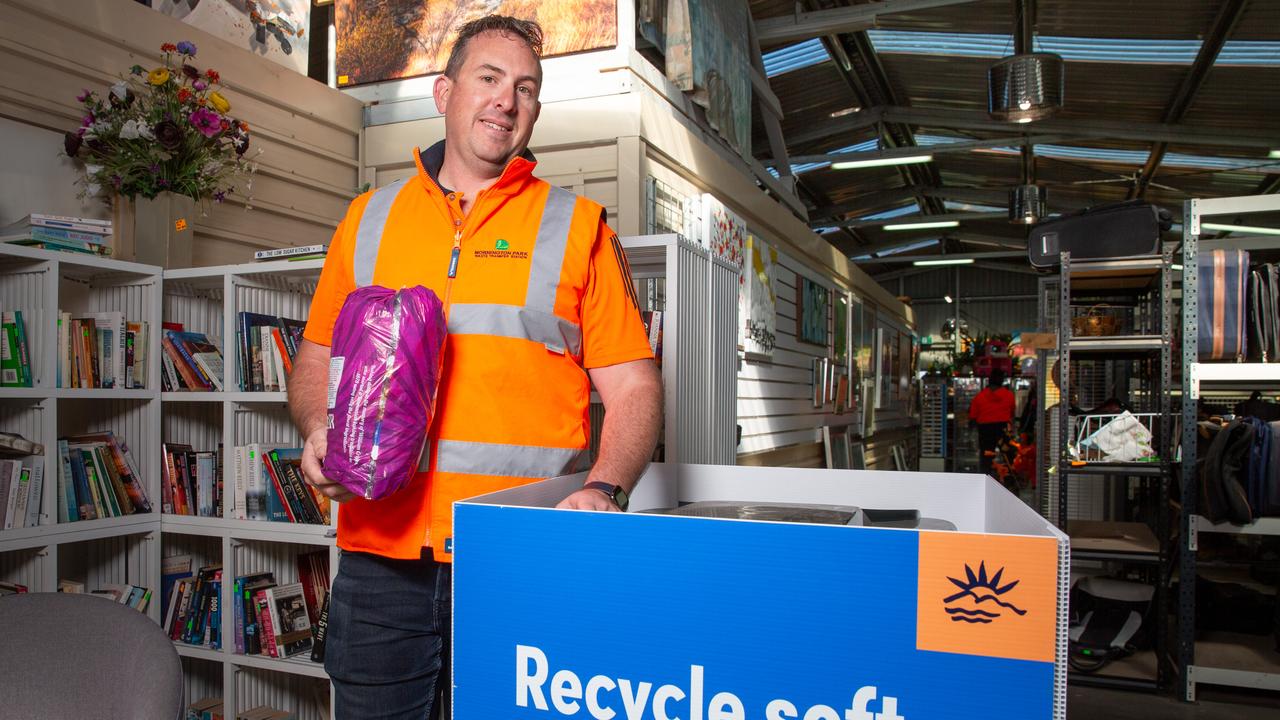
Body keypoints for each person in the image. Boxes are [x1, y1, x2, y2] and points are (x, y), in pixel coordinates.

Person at [286, 16, 662, 719]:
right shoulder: (367, 218)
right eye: (489, 79)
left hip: (521, 560)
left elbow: (635, 382)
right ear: (444, 92)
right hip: (378, 562)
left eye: (525, 88)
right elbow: (314, 357)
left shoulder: (579, 226)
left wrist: (607, 488)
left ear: (536, 112)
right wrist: (316, 428)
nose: (506, 100)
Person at [968, 369, 1016, 476]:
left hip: (985, 429)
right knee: (1007, 455)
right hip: (1003, 428)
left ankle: (986, 477)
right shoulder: (1009, 395)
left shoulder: (979, 397)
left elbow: (973, 416)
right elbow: (1012, 412)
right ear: (1002, 381)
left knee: (986, 455)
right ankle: (1010, 478)